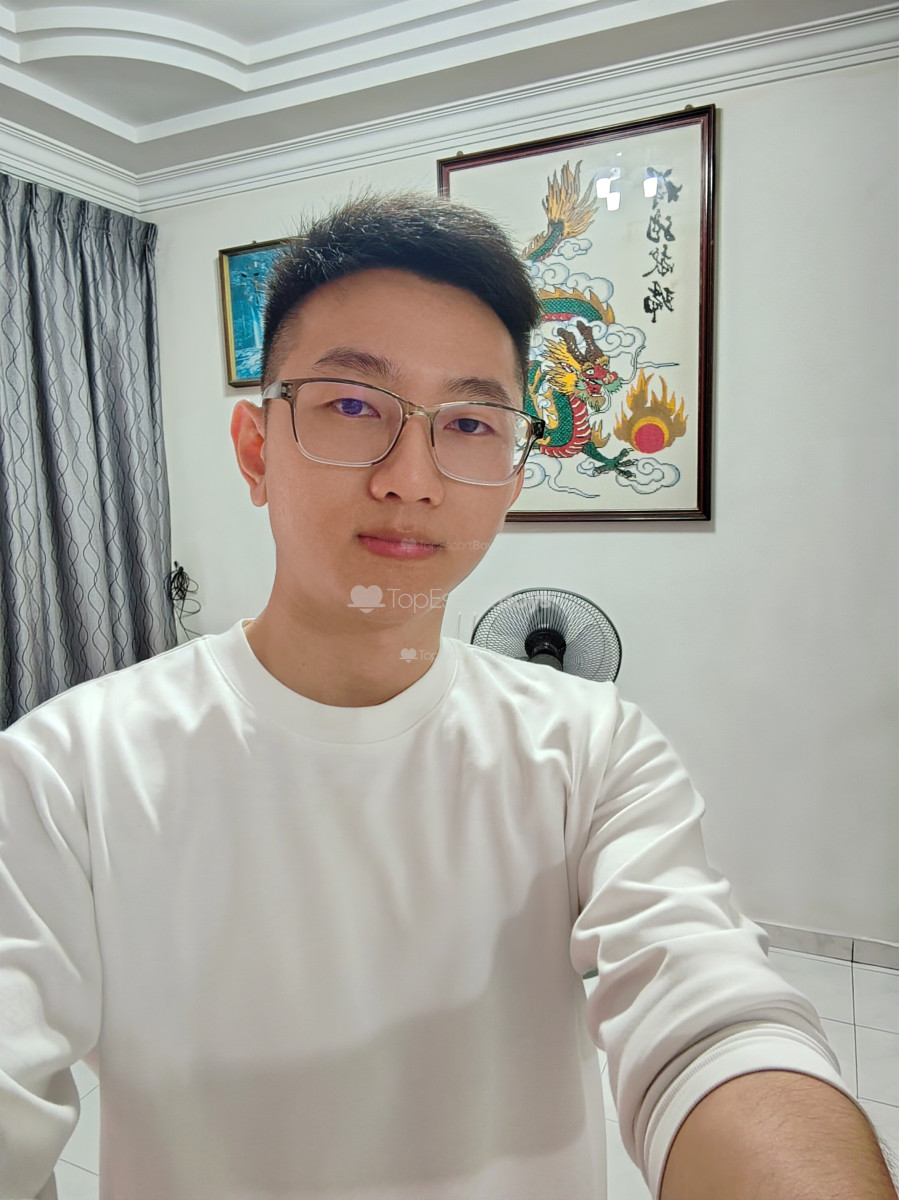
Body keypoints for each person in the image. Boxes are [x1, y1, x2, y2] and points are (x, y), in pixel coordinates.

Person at [0, 191, 894, 1200]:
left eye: (468, 423)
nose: (412, 478)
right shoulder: (67, 772)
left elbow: (710, 1019)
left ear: (510, 475)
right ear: (256, 450)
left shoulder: (590, 751)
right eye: (352, 406)